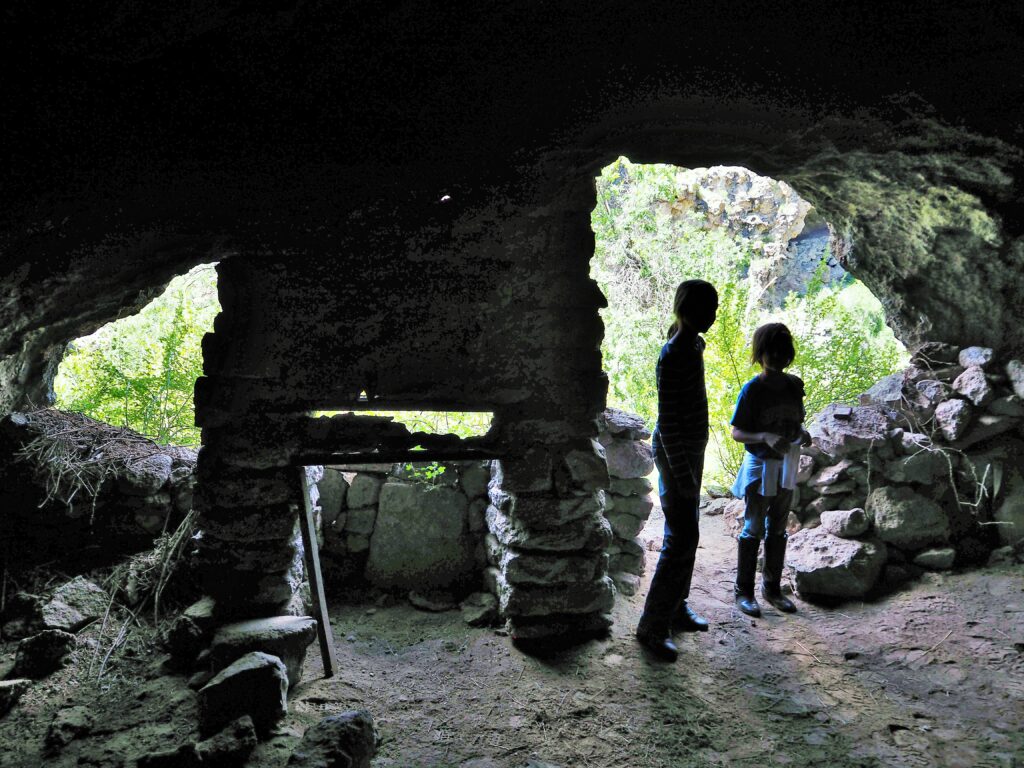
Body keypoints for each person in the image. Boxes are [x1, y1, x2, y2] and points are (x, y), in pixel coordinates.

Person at [636, 279, 718, 662]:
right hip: (675, 454)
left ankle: (677, 607)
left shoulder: (693, 344)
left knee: (688, 533)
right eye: (708, 309)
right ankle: (652, 625)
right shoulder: (673, 354)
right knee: (678, 539)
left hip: (689, 451)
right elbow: (668, 424)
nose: (714, 317)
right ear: (688, 310)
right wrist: (684, 476)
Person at [729, 322, 810, 617]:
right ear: (760, 354)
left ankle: (772, 589)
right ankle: (744, 592)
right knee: (752, 528)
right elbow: (737, 432)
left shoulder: (793, 386)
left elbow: (796, 424)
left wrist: (802, 434)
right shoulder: (752, 390)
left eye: (782, 353)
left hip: (786, 465)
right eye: (771, 352)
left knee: (778, 527)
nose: (777, 358)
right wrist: (764, 436)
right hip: (759, 465)